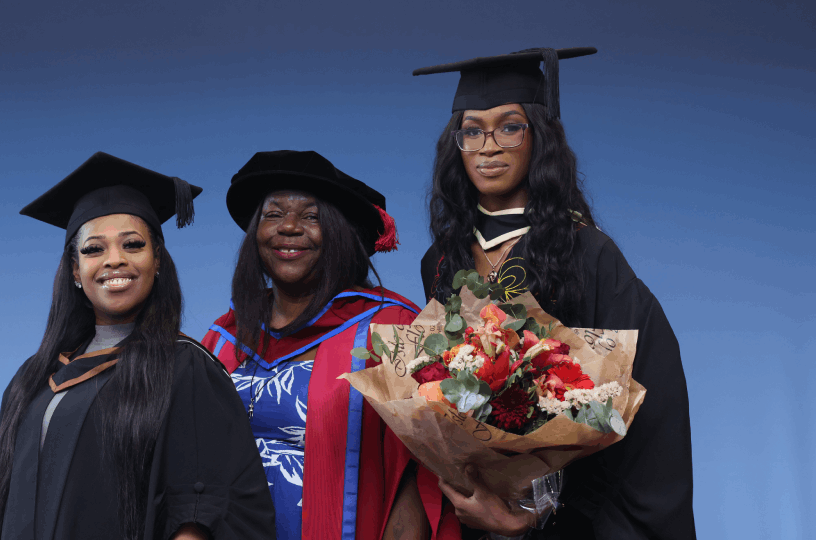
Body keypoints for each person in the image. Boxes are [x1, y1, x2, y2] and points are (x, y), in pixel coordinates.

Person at [413, 48, 696, 539]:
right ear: (455, 143)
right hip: (474, 514)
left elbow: (643, 400)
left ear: (539, 138)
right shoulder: (441, 259)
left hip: (567, 523)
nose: (488, 147)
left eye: (509, 127)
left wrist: (539, 509)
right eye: (472, 130)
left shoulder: (586, 253)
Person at [0, 151, 275, 540]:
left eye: (132, 244)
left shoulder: (183, 368)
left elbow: (201, 514)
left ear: (158, 259)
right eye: (93, 249)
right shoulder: (35, 377)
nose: (114, 261)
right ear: (75, 271)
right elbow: (4, 506)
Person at [201, 150, 453, 540]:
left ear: (337, 232)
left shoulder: (392, 327)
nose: (289, 227)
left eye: (311, 216)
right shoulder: (222, 338)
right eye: (273, 214)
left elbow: (422, 476)